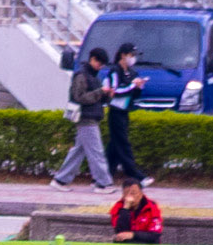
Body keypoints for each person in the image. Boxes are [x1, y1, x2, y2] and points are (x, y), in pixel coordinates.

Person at [49, 47, 115, 189]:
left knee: (79, 151)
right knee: (96, 152)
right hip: (86, 118)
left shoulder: (91, 76)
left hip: (88, 118)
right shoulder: (82, 76)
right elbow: (79, 97)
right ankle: (102, 183)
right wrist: (100, 92)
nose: (100, 66)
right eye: (99, 62)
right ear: (92, 59)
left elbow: (91, 98)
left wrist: (106, 95)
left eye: (102, 63)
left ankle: (60, 180)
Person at [101, 45, 148, 187]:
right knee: (123, 143)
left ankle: (103, 177)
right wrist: (132, 86)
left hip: (125, 111)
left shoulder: (132, 72)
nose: (133, 58)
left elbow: (133, 94)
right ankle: (135, 174)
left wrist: (138, 87)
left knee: (114, 146)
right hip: (115, 111)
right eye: (131, 54)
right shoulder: (115, 71)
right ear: (123, 55)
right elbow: (115, 91)